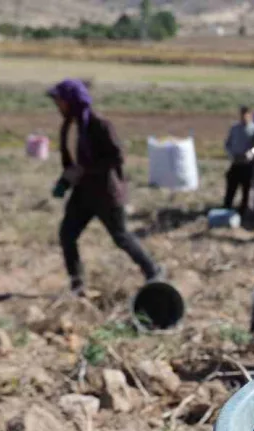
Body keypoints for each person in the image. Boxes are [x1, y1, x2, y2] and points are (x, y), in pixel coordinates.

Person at [47, 79, 160, 297]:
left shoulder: (99, 124)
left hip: (106, 193)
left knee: (121, 237)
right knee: (67, 235)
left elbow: (117, 156)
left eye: (59, 101)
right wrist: (65, 181)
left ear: (72, 101)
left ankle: (153, 271)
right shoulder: (69, 126)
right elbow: (72, 162)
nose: (56, 105)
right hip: (82, 194)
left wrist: (85, 170)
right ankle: (78, 285)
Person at [224, 105, 254, 214]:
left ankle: (243, 210)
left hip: (248, 164)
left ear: (250, 115)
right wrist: (231, 154)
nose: (244, 117)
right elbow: (227, 144)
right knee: (231, 186)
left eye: (246, 115)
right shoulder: (234, 128)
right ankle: (227, 207)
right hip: (236, 162)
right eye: (242, 115)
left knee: (246, 188)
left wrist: (252, 153)